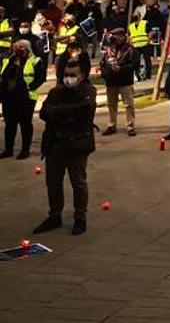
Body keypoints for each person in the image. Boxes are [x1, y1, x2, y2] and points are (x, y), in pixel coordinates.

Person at [33, 59, 97, 236]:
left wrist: (58, 112)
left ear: (81, 76)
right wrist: (64, 114)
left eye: (72, 75)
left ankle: (80, 217)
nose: (68, 78)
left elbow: (84, 111)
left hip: (76, 144)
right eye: (66, 75)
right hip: (55, 144)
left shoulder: (88, 91)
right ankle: (54, 215)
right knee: (53, 182)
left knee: (78, 182)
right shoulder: (56, 92)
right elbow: (45, 112)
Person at [1, 40, 47, 159]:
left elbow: (41, 77)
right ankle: (8, 149)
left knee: (25, 124)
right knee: (10, 124)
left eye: (20, 47)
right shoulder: (7, 60)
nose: (17, 49)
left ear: (27, 48)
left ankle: (25, 149)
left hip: (26, 97)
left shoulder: (35, 61)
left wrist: (29, 87)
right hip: (8, 96)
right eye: (15, 47)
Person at [100, 28, 138, 137]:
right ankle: (112, 125)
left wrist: (121, 68)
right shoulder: (109, 49)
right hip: (111, 81)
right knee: (111, 104)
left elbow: (134, 65)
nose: (114, 38)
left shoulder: (129, 50)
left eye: (116, 36)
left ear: (122, 36)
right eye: (113, 36)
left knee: (128, 104)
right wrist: (105, 73)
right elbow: (103, 63)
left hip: (125, 81)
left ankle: (130, 126)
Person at [128, 13, 152, 80]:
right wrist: (131, 44)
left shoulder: (145, 23)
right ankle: (137, 75)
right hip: (135, 46)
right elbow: (129, 36)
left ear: (140, 16)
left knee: (147, 60)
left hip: (144, 45)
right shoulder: (131, 26)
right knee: (136, 61)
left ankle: (148, 75)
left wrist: (148, 41)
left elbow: (150, 32)